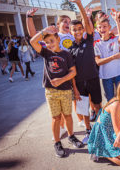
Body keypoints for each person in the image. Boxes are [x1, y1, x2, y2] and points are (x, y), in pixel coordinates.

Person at [30, 25, 83, 157]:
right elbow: (32, 42)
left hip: (65, 90)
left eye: (52, 41)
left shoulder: (66, 54)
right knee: (56, 118)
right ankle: (57, 143)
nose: (49, 44)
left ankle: (71, 136)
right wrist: (44, 31)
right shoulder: (46, 53)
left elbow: (73, 72)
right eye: (47, 42)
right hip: (51, 92)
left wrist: (61, 80)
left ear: (58, 39)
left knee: (68, 115)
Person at [68, 0, 102, 144]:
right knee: (84, 109)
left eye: (79, 29)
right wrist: (74, 88)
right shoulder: (69, 49)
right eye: (74, 30)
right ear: (70, 32)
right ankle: (88, 131)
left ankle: (101, 129)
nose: (77, 31)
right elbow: (72, 72)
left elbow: (87, 23)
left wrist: (79, 5)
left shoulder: (88, 40)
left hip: (93, 79)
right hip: (80, 83)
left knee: (97, 105)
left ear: (83, 29)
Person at [88, 79, 120, 168]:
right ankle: (101, 151)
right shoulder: (117, 104)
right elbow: (117, 130)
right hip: (104, 133)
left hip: (114, 129)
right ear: (119, 93)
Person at [94, 10, 120, 101]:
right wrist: (113, 57)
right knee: (110, 99)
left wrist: (117, 22)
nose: (102, 29)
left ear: (109, 27)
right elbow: (98, 62)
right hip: (106, 76)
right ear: (97, 29)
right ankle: (113, 115)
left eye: (105, 26)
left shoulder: (114, 39)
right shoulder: (96, 44)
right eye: (100, 27)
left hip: (119, 73)